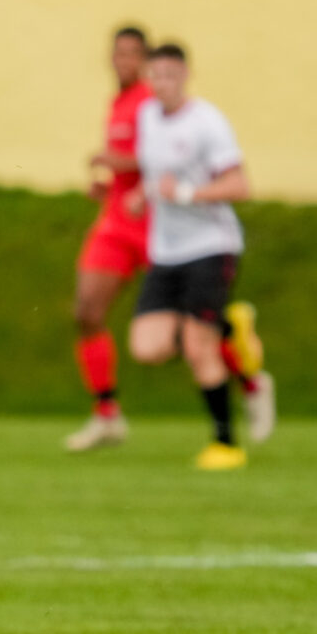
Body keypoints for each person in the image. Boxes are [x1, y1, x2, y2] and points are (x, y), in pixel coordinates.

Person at [121, 43, 274, 469]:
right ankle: (232, 333)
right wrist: (141, 194)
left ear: (185, 75)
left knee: (195, 346)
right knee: (147, 347)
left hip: (210, 245)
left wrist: (186, 194)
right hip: (165, 250)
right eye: (155, 75)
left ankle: (226, 444)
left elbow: (240, 186)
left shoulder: (208, 123)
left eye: (170, 74)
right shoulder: (148, 117)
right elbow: (157, 173)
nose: (162, 83)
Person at [64, 26, 152, 451]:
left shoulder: (152, 102)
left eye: (134, 53)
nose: (125, 60)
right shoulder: (117, 102)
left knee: (191, 326)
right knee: (86, 312)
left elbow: (168, 157)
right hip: (116, 219)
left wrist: (119, 161)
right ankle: (107, 414)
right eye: (119, 52)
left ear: (146, 59)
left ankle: (246, 377)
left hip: (155, 220)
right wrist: (109, 183)